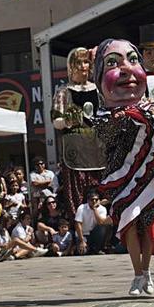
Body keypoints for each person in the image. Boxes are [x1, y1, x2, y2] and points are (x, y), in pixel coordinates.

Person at [93, 38, 154, 296]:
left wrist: (151, 118)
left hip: (149, 175)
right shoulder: (104, 114)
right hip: (121, 175)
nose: (126, 69)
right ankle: (137, 274)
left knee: (146, 224)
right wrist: (125, 118)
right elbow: (104, 137)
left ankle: (145, 272)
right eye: (113, 63)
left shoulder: (149, 108)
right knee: (129, 223)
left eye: (133, 60)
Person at [53, 47, 103, 217]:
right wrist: (68, 120)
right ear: (71, 67)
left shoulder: (98, 89)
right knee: (77, 196)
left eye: (86, 62)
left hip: (97, 151)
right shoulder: (63, 92)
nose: (83, 66)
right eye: (79, 62)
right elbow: (56, 121)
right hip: (75, 153)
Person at [74, 190, 113, 255]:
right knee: (83, 252)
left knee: (104, 226)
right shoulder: (81, 208)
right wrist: (82, 241)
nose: (94, 201)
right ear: (88, 200)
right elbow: (78, 224)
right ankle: (85, 248)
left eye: (96, 200)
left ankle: (99, 248)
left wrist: (95, 209)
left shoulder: (102, 209)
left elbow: (101, 222)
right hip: (83, 235)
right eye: (92, 200)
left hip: (95, 234)